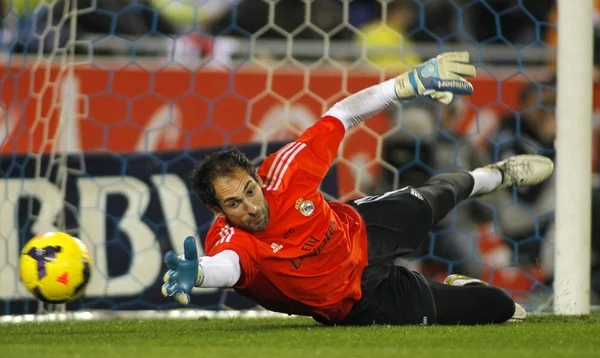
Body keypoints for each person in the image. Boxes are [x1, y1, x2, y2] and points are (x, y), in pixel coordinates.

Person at [161, 52, 554, 326]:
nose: (250, 206)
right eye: (234, 203)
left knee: (433, 195)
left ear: (257, 178)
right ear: (218, 212)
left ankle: (498, 174)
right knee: (499, 308)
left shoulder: (285, 171)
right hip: (358, 297)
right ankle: (463, 286)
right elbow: (226, 268)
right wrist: (199, 274)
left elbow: (342, 115)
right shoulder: (230, 240)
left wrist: (407, 83)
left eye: (250, 190)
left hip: (356, 229)